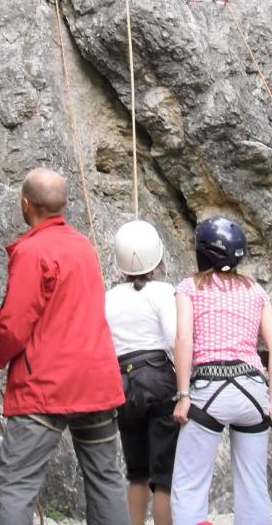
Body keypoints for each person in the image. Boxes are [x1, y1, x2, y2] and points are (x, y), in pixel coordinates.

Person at [0, 167, 128, 525]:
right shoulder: (83, 246)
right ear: (64, 205)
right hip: (96, 381)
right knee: (106, 480)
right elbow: (47, 312)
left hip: (46, 385)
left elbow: (18, 326)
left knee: (16, 483)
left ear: (25, 204)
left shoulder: (32, 251)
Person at [170, 217, 272, 525]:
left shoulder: (189, 288)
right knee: (253, 487)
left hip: (210, 389)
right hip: (252, 392)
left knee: (190, 485)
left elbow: (183, 339)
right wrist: (271, 403)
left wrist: (183, 395)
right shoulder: (255, 291)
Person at [105, 219, 179, 525]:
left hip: (123, 381)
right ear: (158, 257)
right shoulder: (164, 292)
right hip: (159, 377)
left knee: (137, 472)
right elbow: (175, 338)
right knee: (164, 476)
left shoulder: (108, 297)